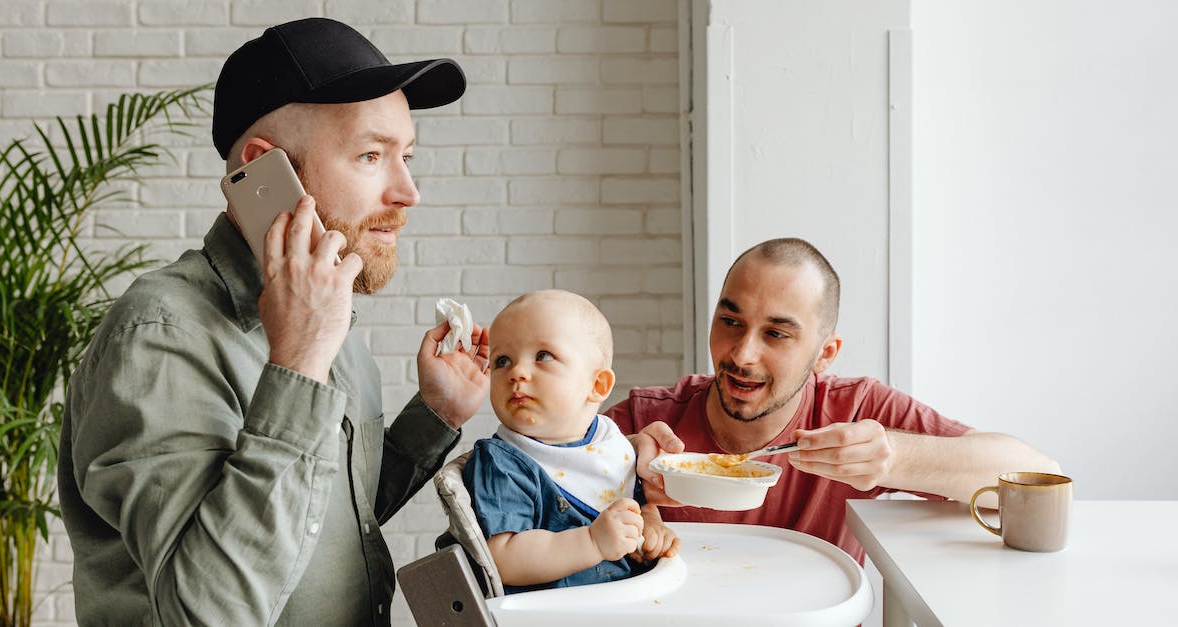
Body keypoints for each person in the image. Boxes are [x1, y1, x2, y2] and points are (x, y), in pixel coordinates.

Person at [57, 18, 489, 626]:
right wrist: (299, 365)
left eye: (407, 156)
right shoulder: (158, 337)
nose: (408, 191)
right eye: (371, 155)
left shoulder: (321, 321)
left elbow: (328, 523)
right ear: (266, 170)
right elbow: (205, 613)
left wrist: (436, 415)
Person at [610, 238, 1060, 564]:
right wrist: (611, 465)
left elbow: (1041, 477)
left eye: (776, 334)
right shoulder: (648, 419)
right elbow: (540, 484)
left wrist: (894, 456)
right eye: (730, 321)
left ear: (825, 354)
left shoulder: (857, 412)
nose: (741, 354)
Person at [464, 290, 680, 592]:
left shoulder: (609, 444)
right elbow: (503, 559)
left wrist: (650, 529)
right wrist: (592, 542)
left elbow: (635, 502)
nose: (517, 372)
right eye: (502, 360)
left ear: (597, 385)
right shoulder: (503, 462)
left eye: (543, 356)